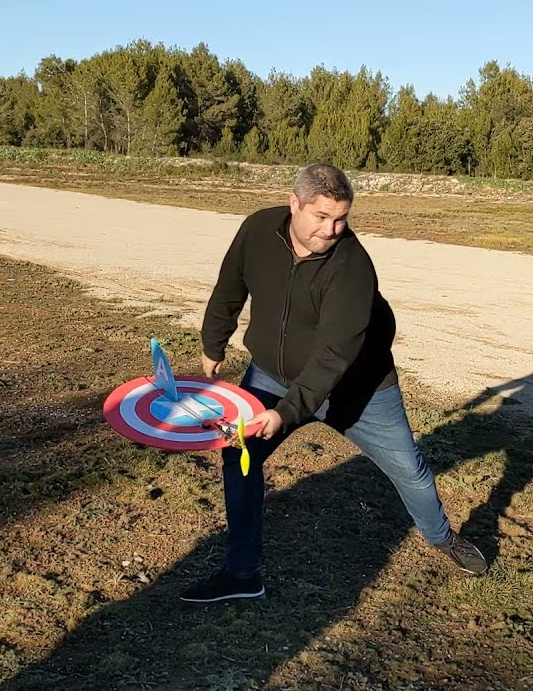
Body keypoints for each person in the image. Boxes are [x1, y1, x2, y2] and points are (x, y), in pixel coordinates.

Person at [180, 162, 488, 603]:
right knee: (239, 455)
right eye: (321, 216)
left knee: (411, 473)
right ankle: (242, 573)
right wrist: (214, 342)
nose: (331, 229)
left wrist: (286, 412)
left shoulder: (352, 266)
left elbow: (332, 357)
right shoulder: (258, 230)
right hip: (272, 375)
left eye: (341, 218)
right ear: (294, 204)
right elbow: (230, 286)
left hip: (359, 389)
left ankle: (442, 537)